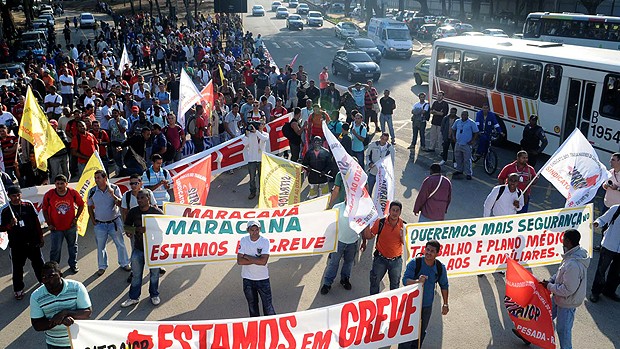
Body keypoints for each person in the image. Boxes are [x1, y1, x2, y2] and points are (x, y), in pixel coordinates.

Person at [540, 229, 589, 349]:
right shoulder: (572, 255)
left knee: (563, 331)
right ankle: (528, 336)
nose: (562, 241)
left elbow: (567, 290)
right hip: (559, 298)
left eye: (563, 239)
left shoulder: (573, 264)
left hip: (566, 303)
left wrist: (549, 286)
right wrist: (551, 280)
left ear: (568, 241)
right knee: (544, 317)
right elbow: (560, 273)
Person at [30, 261, 92, 349]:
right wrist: (57, 321)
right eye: (44, 277)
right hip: (55, 344)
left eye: (51, 276)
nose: (47, 280)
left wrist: (65, 313)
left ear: (60, 274)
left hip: (78, 340)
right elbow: (37, 325)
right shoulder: (36, 296)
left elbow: (87, 312)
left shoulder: (76, 287)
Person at [400, 240, 449, 349]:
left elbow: (444, 285)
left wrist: (445, 304)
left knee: (421, 332)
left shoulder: (440, 268)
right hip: (411, 304)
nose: (428, 253)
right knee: (407, 331)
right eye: (427, 249)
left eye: (432, 251)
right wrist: (418, 282)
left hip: (427, 305)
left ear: (437, 254)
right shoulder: (415, 263)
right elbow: (405, 281)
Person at [121, 190, 165, 307]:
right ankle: (133, 297)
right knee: (136, 274)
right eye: (138, 198)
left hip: (153, 249)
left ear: (148, 199)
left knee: (154, 274)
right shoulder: (133, 212)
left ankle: (154, 295)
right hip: (138, 248)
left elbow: (165, 229)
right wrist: (135, 230)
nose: (139, 200)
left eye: (142, 198)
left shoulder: (157, 213)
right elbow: (126, 227)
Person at [0, 186, 45, 300]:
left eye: (18, 195)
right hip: (17, 246)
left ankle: (44, 283)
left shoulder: (28, 205)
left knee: (39, 265)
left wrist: (40, 237)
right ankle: (18, 289)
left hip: (32, 243)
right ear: (9, 197)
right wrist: (10, 225)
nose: (16, 198)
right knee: (17, 269)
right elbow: (1, 228)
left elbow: (36, 222)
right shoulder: (5, 210)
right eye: (13, 196)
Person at [87, 170, 130, 276]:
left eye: (98, 178)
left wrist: (112, 195)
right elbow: (89, 206)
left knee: (120, 244)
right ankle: (102, 266)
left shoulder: (114, 188)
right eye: (95, 178)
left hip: (114, 222)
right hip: (100, 224)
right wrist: (93, 220)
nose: (96, 180)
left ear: (105, 178)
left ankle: (124, 263)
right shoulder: (92, 191)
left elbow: (121, 204)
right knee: (101, 247)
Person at [320, 201, 365, 294]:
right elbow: (329, 224)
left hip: (352, 242)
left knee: (348, 263)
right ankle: (327, 283)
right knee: (333, 263)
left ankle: (345, 279)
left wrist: (364, 241)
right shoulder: (337, 207)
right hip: (338, 242)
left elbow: (363, 226)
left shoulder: (360, 209)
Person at [42, 175, 84, 273]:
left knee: (73, 246)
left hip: (71, 227)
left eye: (62, 183)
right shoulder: (49, 195)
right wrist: (49, 223)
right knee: (55, 250)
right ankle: (54, 269)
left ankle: (73, 264)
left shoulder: (73, 193)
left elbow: (81, 205)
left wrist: (76, 218)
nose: (59, 186)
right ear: (55, 184)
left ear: (66, 184)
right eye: (57, 184)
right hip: (56, 229)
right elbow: (44, 210)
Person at [363, 201, 406, 295]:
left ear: (400, 212)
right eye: (393, 210)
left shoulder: (404, 226)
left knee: (395, 287)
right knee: (374, 283)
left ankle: (393, 306)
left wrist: (403, 236)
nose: (395, 213)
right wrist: (365, 224)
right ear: (389, 210)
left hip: (396, 262)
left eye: (397, 211)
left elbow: (407, 245)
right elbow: (369, 236)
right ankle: (374, 304)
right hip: (380, 259)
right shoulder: (381, 222)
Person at [237, 220, 275, 317]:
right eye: (252, 230)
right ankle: (256, 329)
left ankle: (272, 327)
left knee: (268, 307)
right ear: (248, 230)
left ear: (260, 229)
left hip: (263, 279)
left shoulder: (265, 241)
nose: (255, 232)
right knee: (252, 307)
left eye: (256, 229)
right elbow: (240, 261)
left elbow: (263, 262)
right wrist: (257, 259)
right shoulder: (243, 240)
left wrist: (247, 256)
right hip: (248, 280)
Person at [589, 204, 620, 303]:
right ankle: (595, 292)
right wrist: (597, 223)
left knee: (616, 273)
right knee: (601, 271)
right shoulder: (616, 208)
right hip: (609, 245)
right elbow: (602, 219)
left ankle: (609, 291)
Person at [242, 120, 268, 200]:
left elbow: (264, 139)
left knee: (261, 177)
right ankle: (252, 192)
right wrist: (246, 135)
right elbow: (244, 143)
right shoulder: (250, 135)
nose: (261, 125)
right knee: (252, 178)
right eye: (260, 124)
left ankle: (261, 192)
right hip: (252, 159)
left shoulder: (265, 134)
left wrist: (256, 132)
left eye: (262, 124)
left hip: (261, 159)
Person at [451, 111, 478, 180]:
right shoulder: (457, 121)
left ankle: (468, 173)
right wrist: (453, 137)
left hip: (466, 144)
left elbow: (476, 132)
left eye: (465, 115)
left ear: (468, 115)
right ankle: (459, 170)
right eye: (462, 114)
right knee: (458, 157)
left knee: (467, 159)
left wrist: (472, 140)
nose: (463, 116)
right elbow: (453, 129)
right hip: (458, 143)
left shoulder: (471, 123)